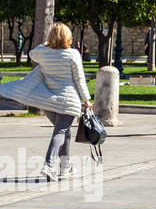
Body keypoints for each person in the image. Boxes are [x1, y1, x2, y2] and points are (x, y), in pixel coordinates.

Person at [0, 22, 92, 183]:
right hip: (68, 100)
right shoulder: (72, 54)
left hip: (49, 101)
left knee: (64, 131)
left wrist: (45, 44)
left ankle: (65, 166)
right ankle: (49, 166)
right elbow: (79, 79)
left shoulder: (44, 53)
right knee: (60, 132)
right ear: (68, 37)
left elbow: (32, 53)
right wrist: (87, 100)